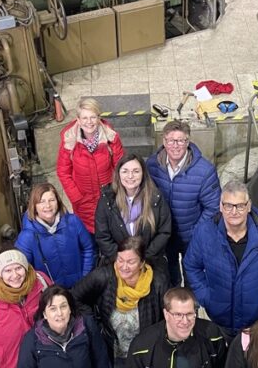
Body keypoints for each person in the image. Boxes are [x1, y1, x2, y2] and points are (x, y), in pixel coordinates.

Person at [71, 236, 170, 368]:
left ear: (142, 262)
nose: (124, 267)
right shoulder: (104, 275)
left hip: (144, 348)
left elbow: (168, 311)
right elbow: (75, 297)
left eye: (131, 261)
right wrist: (92, 320)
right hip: (114, 348)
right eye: (120, 260)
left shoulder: (157, 280)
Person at [183, 180, 258, 337]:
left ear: (248, 206)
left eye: (240, 205)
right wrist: (206, 297)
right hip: (219, 321)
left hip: (256, 324)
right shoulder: (205, 232)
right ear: (221, 206)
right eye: (228, 205)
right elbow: (191, 265)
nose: (234, 211)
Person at [146, 120, 221, 285]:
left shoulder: (205, 171)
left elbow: (213, 207)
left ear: (188, 142)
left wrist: (196, 231)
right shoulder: (152, 165)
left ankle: (191, 306)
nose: (175, 145)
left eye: (180, 140)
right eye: (171, 140)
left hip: (191, 237)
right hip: (164, 235)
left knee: (193, 277)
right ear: (164, 142)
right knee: (170, 275)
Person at [56, 96, 124, 233]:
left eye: (93, 117)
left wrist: (116, 191)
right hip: (83, 203)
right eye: (85, 118)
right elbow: (63, 171)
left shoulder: (111, 138)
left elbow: (121, 167)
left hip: (109, 198)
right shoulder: (69, 141)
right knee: (88, 239)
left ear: (99, 118)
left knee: (110, 235)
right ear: (78, 120)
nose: (89, 122)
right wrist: (76, 197)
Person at [94, 153, 172, 266]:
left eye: (136, 171)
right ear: (118, 174)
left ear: (143, 173)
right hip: (117, 263)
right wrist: (123, 261)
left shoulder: (155, 197)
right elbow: (102, 236)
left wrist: (144, 259)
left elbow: (164, 232)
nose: (130, 176)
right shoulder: (107, 199)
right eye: (125, 171)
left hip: (149, 261)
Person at [14, 182, 95, 288]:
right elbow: (24, 269)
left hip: (79, 286)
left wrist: (85, 277)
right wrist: (43, 289)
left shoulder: (73, 222)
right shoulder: (26, 237)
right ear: (34, 206)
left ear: (58, 202)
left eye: (52, 200)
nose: (47, 205)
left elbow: (88, 249)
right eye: (41, 202)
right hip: (50, 293)